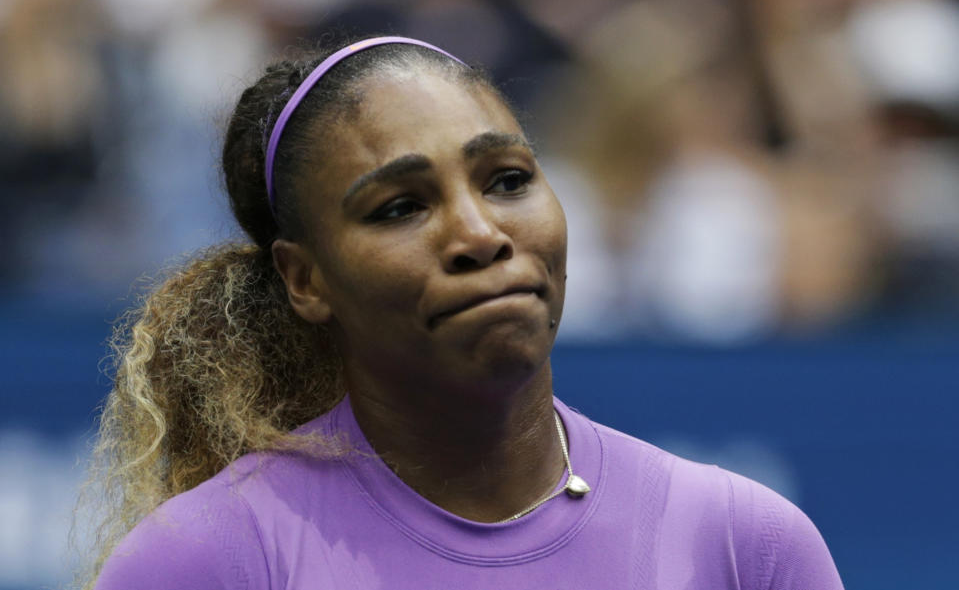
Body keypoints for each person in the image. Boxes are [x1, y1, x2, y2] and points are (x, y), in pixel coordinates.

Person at [84, 35, 844, 589]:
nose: (480, 235)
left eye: (508, 179)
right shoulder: (202, 559)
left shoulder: (749, 545)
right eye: (401, 206)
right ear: (304, 279)